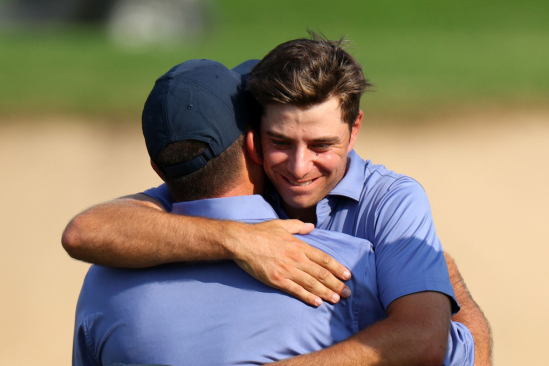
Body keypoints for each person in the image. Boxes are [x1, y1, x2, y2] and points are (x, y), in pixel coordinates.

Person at [65, 34, 491, 364]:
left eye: (322, 144)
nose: (299, 167)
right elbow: (85, 230)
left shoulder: (392, 200)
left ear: (354, 128)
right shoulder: (360, 272)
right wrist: (240, 240)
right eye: (280, 142)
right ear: (253, 144)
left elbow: (423, 340)